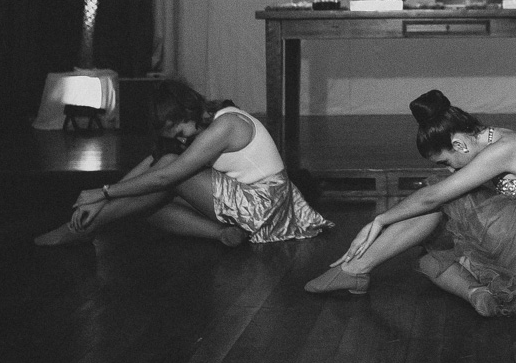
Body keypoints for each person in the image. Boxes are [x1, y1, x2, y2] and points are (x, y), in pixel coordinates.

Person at [304, 90, 516, 320]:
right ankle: (476, 293)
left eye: (446, 161)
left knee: (441, 196)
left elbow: (433, 197)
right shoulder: (491, 137)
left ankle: (355, 269)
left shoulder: (505, 148)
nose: (449, 169)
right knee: (430, 257)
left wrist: (379, 220)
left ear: (458, 143)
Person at [34, 81, 332, 247]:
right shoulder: (201, 123)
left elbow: (164, 176)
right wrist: (102, 196)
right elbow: (152, 163)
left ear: (186, 112)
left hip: (264, 204)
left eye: (178, 131)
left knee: (168, 178)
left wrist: (103, 193)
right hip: (255, 200)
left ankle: (79, 231)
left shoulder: (225, 125)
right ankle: (221, 234)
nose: (179, 139)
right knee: (146, 202)